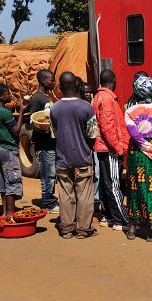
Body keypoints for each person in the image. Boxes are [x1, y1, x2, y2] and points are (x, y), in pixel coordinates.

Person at [50, 72, 99, 239]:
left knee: (65, 194)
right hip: (82, 157)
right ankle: (83, 229)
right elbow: (92, 134)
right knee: (84, 195)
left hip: (62, 159)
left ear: (61, 88)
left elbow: (54, 134)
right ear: (78, 86)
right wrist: (86, 148)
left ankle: (66, 229)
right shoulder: (87, 107)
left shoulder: (54, 108)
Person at [125, 75, 152, 242]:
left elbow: (135, 136)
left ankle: (132, 228)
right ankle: (151, 231)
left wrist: (147, 149)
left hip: (135, 154)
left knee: (134, 189)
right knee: (151, 191)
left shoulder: (129, 112)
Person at [92, 69, 130, 231]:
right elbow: (108, 128)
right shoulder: (107, 98)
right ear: (113, 80)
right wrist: (118, 148)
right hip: (109, 149)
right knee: (113, 184)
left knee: (105, 184)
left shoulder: (97, 97)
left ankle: (107, 216)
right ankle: (120, 220)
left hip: (102, 148)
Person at [0, 84, 28, 220]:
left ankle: (5, 212)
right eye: (7, 93)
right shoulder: (4, 112)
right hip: (8, 149)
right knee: (12, 181)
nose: (10, 95)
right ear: (0, 96)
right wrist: (22, 112)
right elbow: (16, 130)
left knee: (3, 181)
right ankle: (11, 215)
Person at [29, 70, 59, 214]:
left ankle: (50, 199)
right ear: (42, 81)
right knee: (47, 173)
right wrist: (43, 129)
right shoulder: (37, 98)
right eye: (51, 80)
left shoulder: (47, 97)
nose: (54, 83)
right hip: (43, 143)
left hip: (50, 142)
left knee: (51, 173)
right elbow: (32, 120)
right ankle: (48, 202)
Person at [76, 77, 102, 214]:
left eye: (89, 92)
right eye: (85, 91)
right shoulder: (79, 107)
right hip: (83, 146)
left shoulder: (93, 104)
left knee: (96, 173)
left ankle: (96, 199)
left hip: (94, 144)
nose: (87, 94)